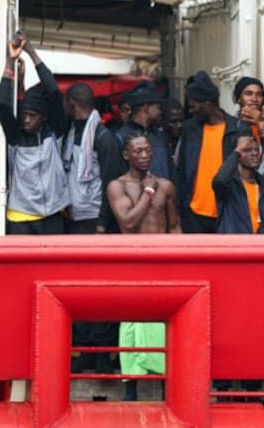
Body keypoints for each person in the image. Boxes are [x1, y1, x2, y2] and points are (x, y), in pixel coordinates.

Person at [107, 132, 179, 401]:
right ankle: (130, 389)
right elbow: (127, 222)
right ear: (127, 155)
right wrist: (149, 192)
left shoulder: (167, 186)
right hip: (132, 262)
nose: (144, 155)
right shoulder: (118, 186)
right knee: (132, 327)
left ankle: (166, 386)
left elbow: (174, 226)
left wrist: (182, 259)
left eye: (148, 150)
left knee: (163, 324)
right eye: (137, 151)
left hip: (163, 261)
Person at [0, 33, 70, 234]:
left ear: (44, 117)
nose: (26, 120)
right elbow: (3, 103)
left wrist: (31, 52)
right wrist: (10, 61)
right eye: (23, 115)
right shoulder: (15, 137)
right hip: (20, 217)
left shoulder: (54, 133)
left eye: (32, 116)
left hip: (52, 214)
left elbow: (53, 92)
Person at [177, 71, 239, 233]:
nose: (190, 111)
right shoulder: (190, 129)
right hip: (194, 214)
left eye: (193, 106)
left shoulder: (237, 128)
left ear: (207, 104)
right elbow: (182, 170)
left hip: (227, 211)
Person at [62, 83, 123, 234]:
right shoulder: (71, 131)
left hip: (94, 219)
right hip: (73, 216)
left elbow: (111, 182)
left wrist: (102, 223)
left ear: (71, 103)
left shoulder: (103, 137)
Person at [212, 133, 264, 234]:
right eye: (247, 150)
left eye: (257, 150)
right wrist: (237, 151)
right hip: (234, 246)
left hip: (260, 246)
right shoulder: (229, 185)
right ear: (236, 155)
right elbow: (219, 181)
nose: (254, 153)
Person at [117, 83, 175, 182]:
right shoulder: (120, 137)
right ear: (146, 108)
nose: (160, 112)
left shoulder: (160, 136)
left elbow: (172, 174)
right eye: (158, 107)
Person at [160, 98, 184, 164]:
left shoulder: (186, 140)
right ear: (161, 120)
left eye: (181, 121)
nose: (179, 125)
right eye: (173, 122)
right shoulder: (154, 142)